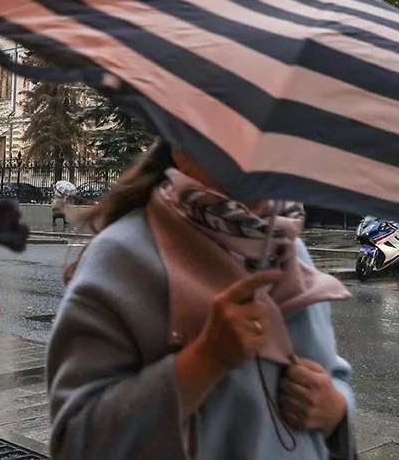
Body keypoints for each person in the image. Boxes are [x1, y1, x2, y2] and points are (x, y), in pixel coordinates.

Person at [46, 141, 355, 459]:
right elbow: (76, 441)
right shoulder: (122, 256)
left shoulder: (289, 249)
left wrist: (335, 410)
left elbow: (333, 375)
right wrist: (205, 359)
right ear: (183, 148)